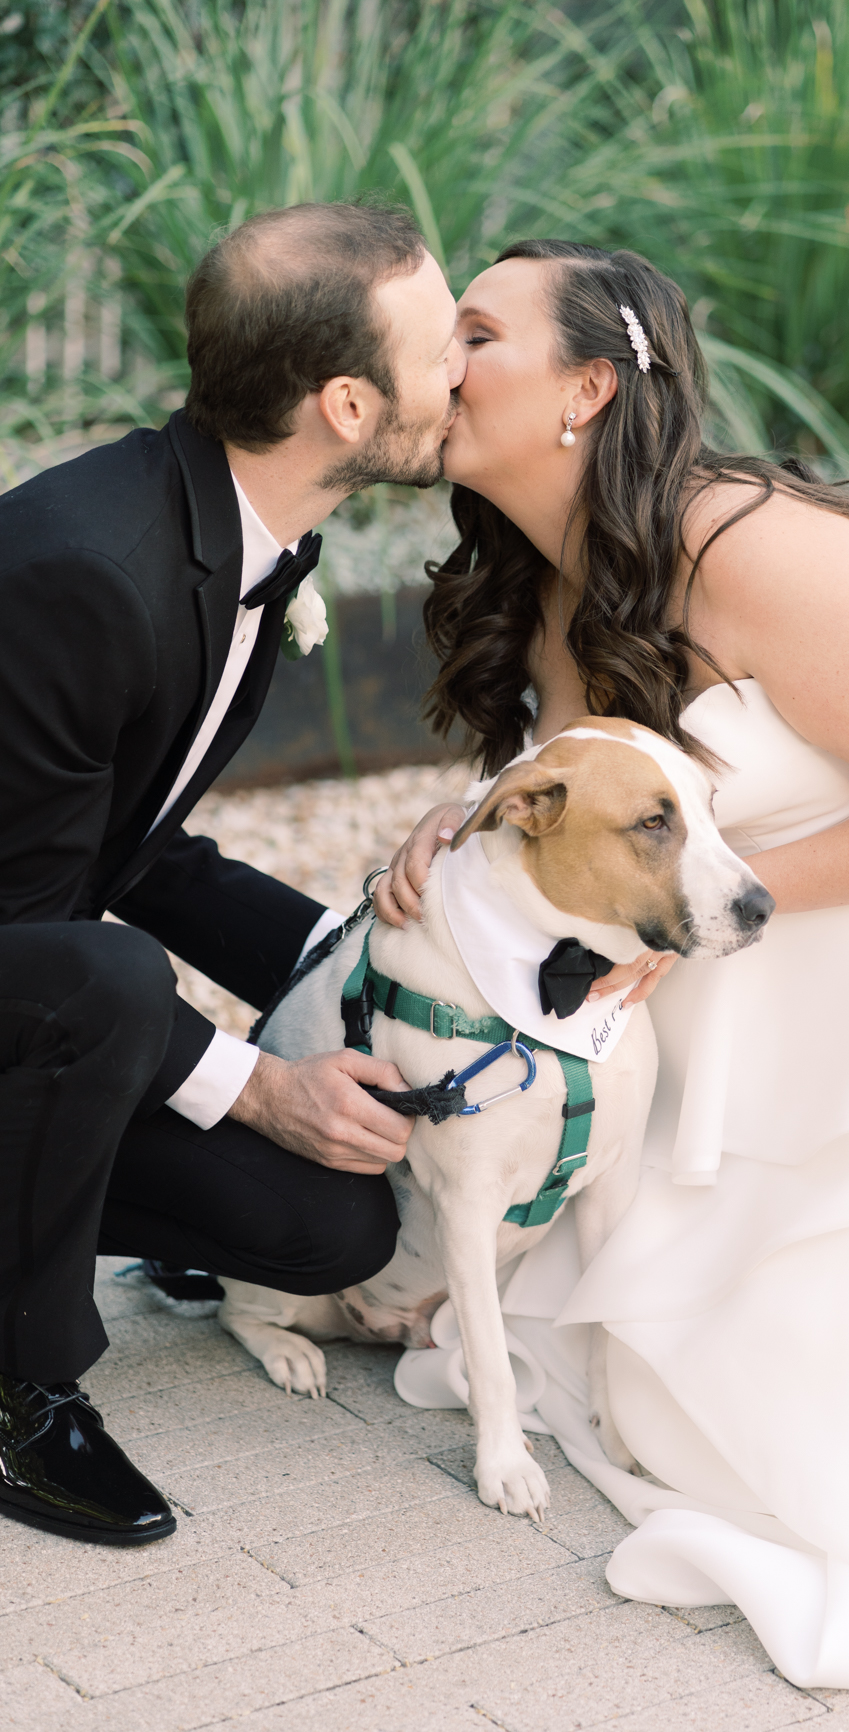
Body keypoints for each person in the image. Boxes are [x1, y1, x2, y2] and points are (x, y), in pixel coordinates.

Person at [376, 239, 849, 1688]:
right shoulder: (543, 575)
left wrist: (707, 915)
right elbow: (600, 799)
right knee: (667, 1394)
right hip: (716, 1017)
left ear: (586, 389)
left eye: (476, 333)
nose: (441, 362)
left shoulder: (749, 546)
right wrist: (461, 830)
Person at [0, 201, 466, 1545]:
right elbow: (43, 941)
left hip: (34, 976)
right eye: (441, 351)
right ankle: (22, 1387)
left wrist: (371, 959)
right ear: (345, 404)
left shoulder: (241, 524)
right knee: (106, 971)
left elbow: (133, 844)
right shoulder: (83, 571)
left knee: (328, 1232)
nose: (465, 374)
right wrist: (258, 1084)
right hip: (33, 971)